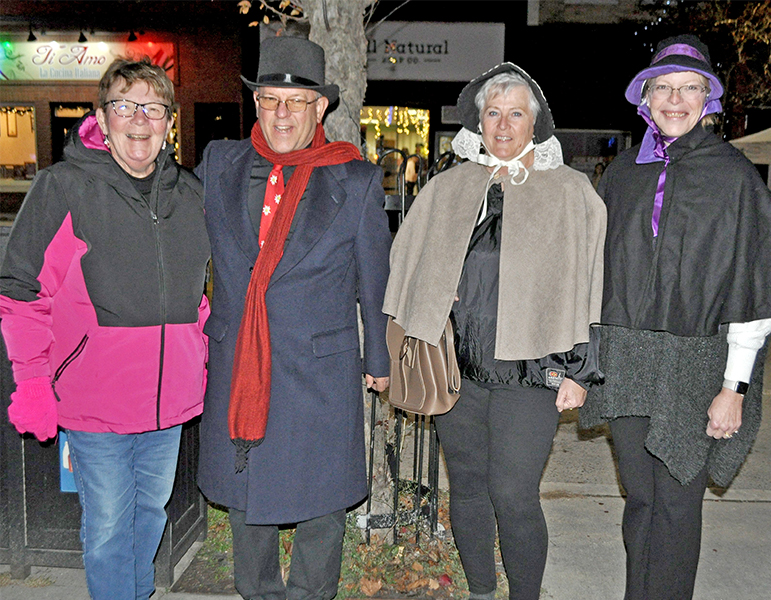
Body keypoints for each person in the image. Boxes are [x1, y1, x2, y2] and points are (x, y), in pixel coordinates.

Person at [383, 63, 606, 600]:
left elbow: (593, 282)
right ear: (478, 122)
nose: (503, 125)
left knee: (514, 494)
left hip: (531, 373)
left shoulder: (573, 193)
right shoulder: (449, 187)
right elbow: (407, 265)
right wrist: (405, 335)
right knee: (468, 489)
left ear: (536, 123)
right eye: (492, 113)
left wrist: (581, 370)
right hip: (458, 368)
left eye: (515, 113)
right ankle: (482, 589)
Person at [0, 57, 210, 600]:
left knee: (149, 516)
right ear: (101, 116)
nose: (138, 120)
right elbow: (21, 290)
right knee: (111, 526)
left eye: (153, 108)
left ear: (169, 122)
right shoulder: (63, 187)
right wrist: (32, 383)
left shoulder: (189, 194)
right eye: (124, 106)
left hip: (168, 403)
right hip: (96, 402)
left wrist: (201, 346)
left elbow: (198, 292)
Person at [195, 36, 391, 600]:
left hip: (318, 371)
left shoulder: (353, 182)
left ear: (320, 108)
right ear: (255, 104)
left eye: (296, 101)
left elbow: (373, 280)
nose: (282, 113)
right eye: (270, 99)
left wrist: (377, 358)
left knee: (320, 508)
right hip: (241, 363)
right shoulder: (219, 163)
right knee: (246, 501)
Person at [580, 35, 771, 600]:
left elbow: (753, 287)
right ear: (646, 97)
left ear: (708, 99)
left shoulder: (736, 178)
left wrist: (733, 386)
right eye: (663, 87)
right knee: (640, 498)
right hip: (629, 356)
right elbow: (594, 269)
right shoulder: (623, 175)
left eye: (690, 88)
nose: (675, 99)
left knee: (677, 503)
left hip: (697, 361)